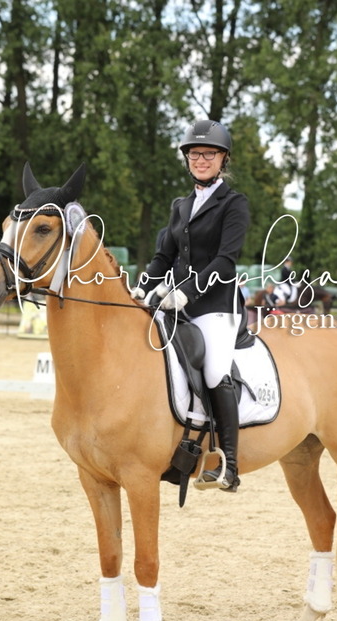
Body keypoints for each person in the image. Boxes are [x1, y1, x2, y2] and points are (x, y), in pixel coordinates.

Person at [131, 119, 250, 492]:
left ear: (223, 159)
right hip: (175, 304)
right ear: (187, 158)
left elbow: (226, 261)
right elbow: (162, 257)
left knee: (214, 372)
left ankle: (229, 466)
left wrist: (188, 291)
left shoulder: (234, 204)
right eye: (195, 153)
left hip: (216, 306)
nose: (201, 159)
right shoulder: (180, 205)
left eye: (209, 154)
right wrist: (141, 289)